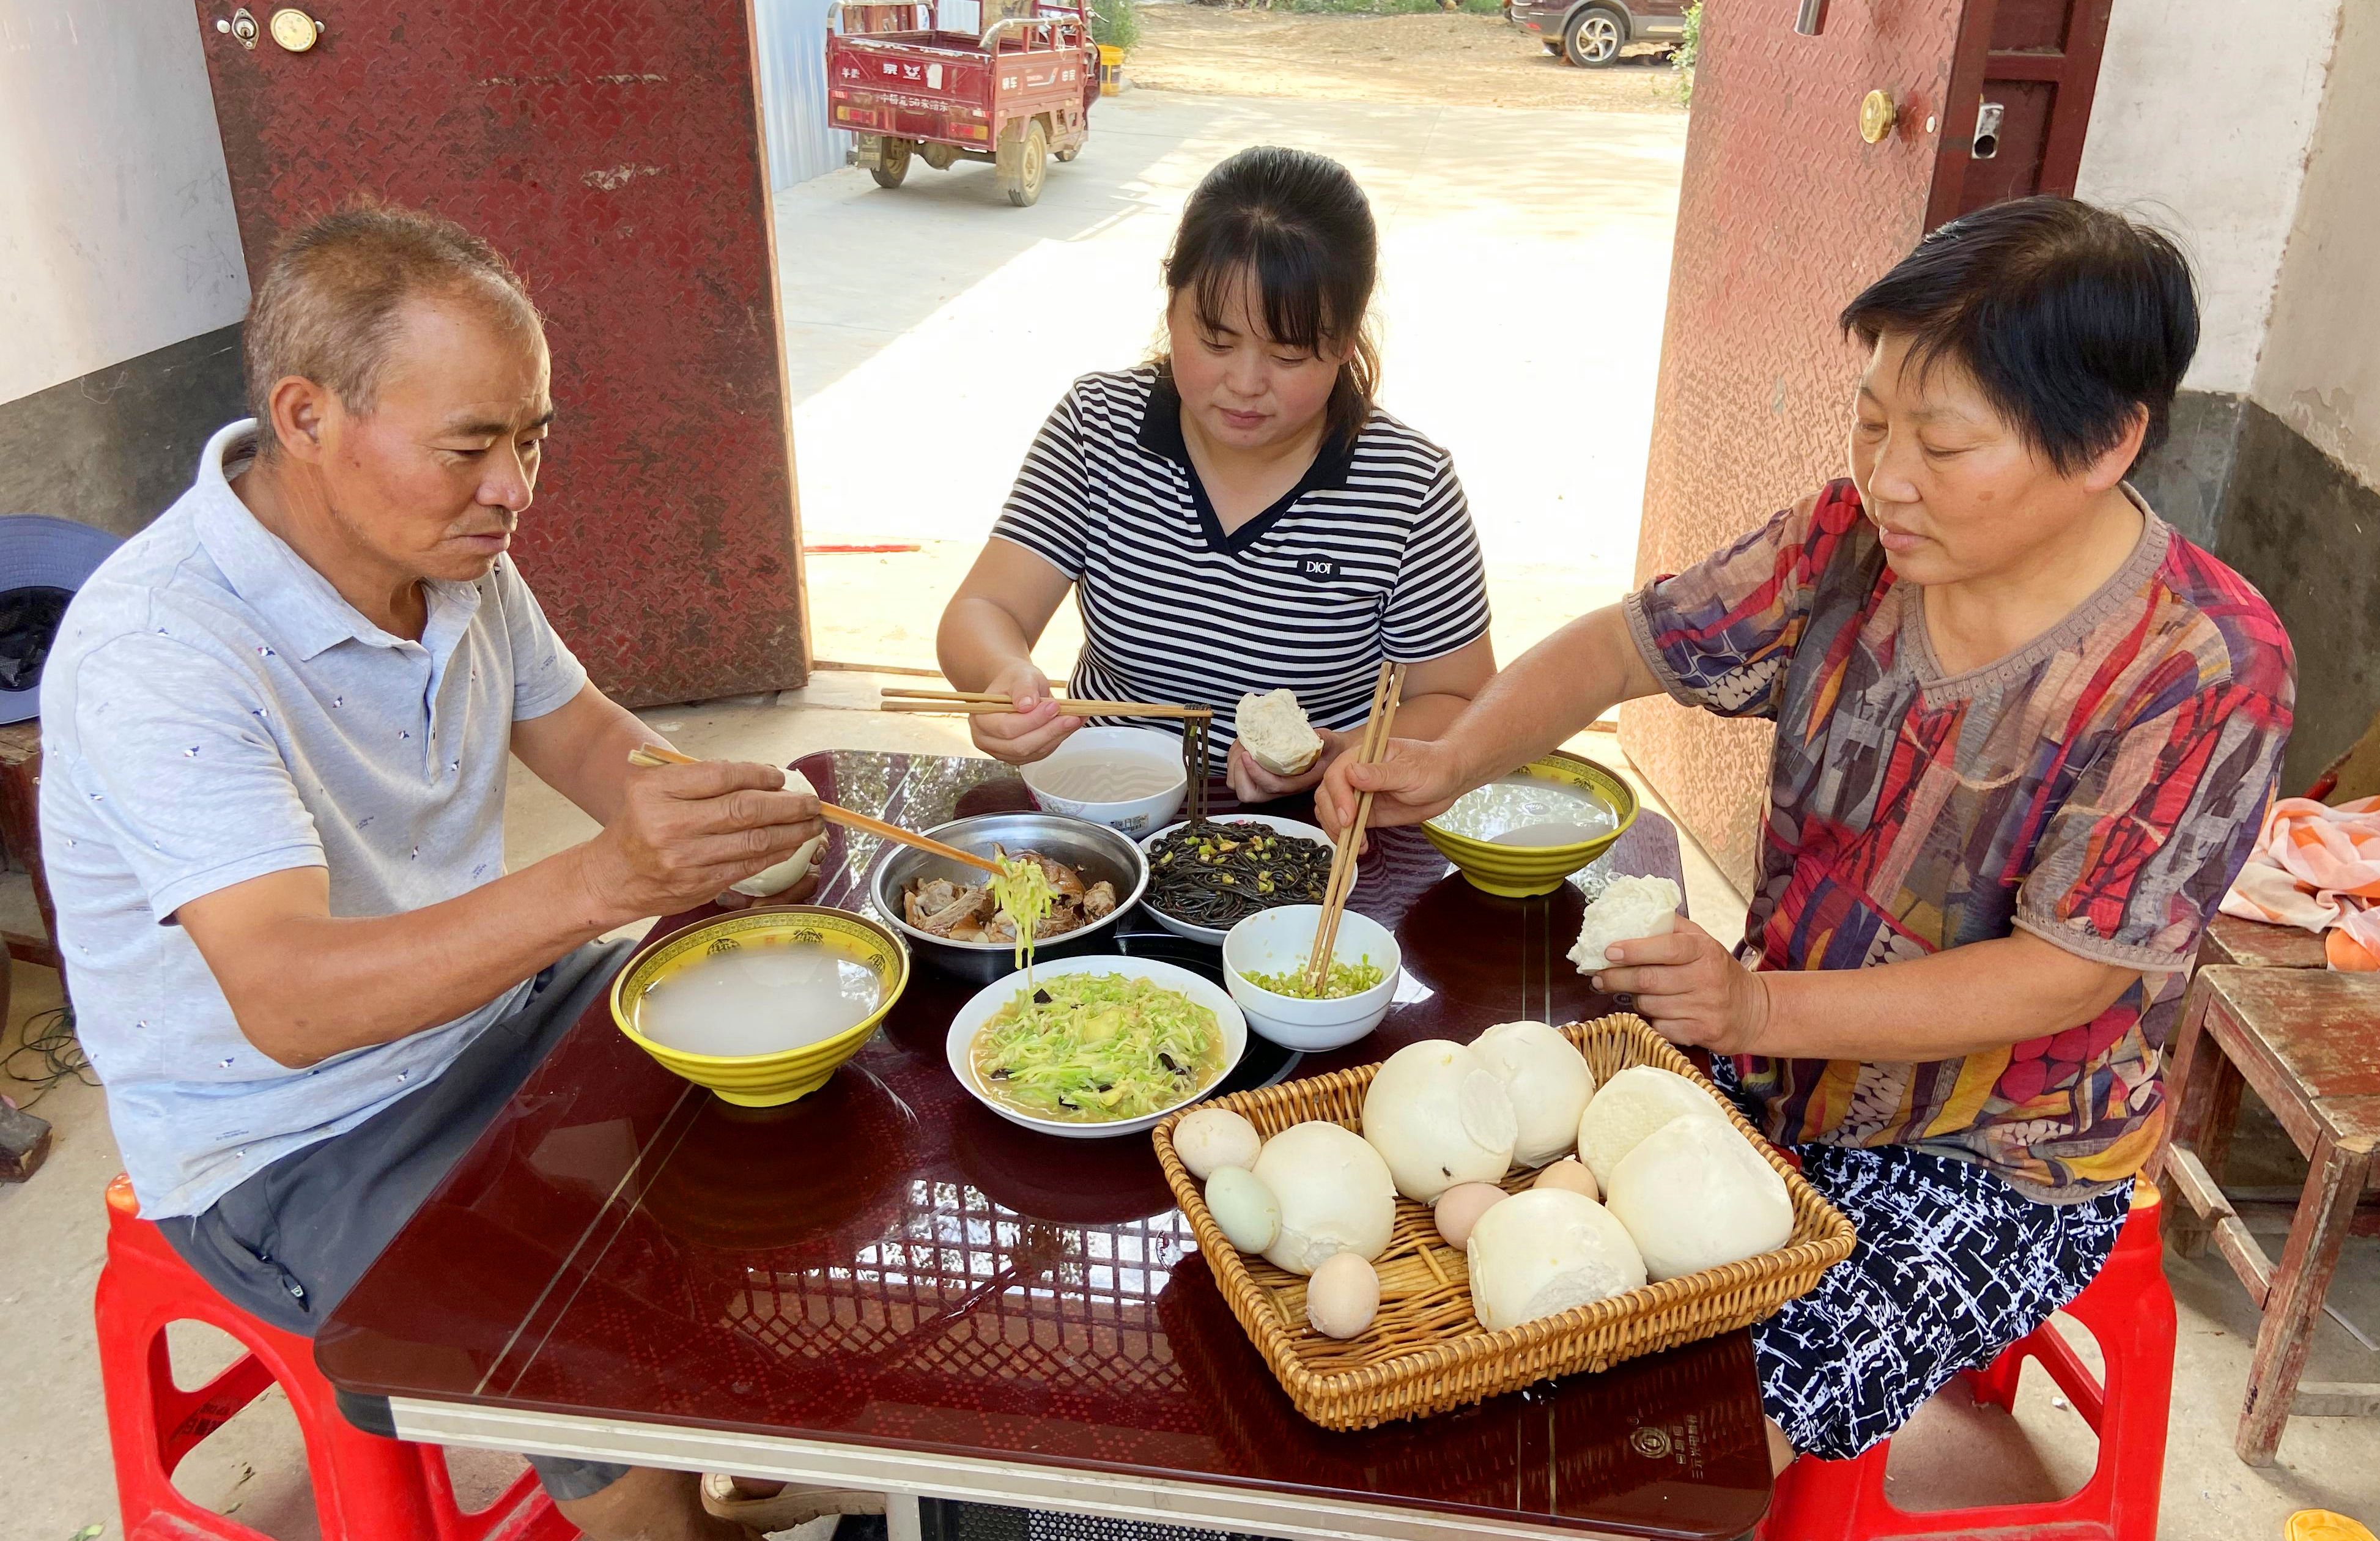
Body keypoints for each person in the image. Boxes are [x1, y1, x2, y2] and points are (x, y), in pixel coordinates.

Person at [1319, 196, 2295, 1468]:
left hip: (1996, 1161)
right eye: (1873, 421)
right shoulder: (1852, 544)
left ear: (2109, 441)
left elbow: (2071, 974)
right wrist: (1450, 758)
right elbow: (1631, 644)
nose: (1886, 477)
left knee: (1690, 1437)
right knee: (1485, 1251)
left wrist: (1754, 1012)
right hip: (1776, 1069)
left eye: (1941, 445)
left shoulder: (2204, 666)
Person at [42, 204, 843, 1540]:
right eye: (471, 447)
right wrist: (605, 883)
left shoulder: (458, 561)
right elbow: (288, 1002)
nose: (514, 490)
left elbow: (585, 735)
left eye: (530, 440)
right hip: (289, 1142)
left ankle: (737, 1444)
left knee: (791, 1085)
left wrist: (712, 815)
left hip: (487, 1021)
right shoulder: (159, 650)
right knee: (574, 1332)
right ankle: (668, 1500)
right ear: (305, 419)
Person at [936, 146, 1497, 803]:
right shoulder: (1099, 426)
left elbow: (1459, 698)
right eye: (1217, 342)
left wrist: (1342, 754)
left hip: (1312, 826)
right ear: (1171, 309)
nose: (1246, 384)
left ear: (1346, 341)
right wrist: (1002, 676)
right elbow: (985, 607)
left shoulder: (1408, 485)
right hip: (1107, 803)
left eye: (1289, 353)